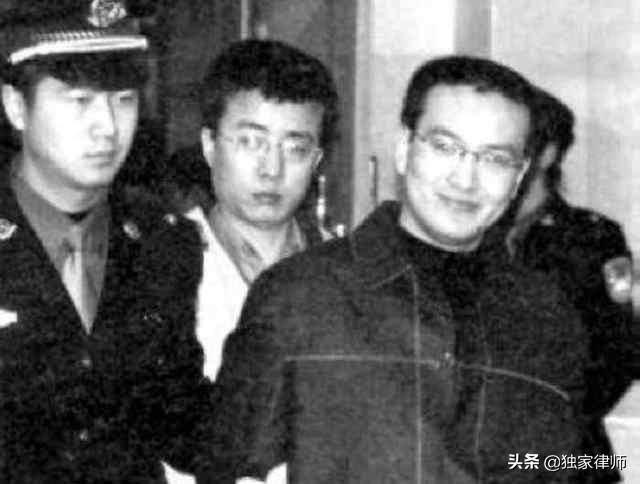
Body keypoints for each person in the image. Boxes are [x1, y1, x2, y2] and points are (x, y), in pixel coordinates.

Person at [207, 56, 594, 483]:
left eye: (495, 159)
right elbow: (228, 466)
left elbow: (572, 466)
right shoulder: (298, 295)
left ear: (519, 176)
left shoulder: (547, 318)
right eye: (444, 146)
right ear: (404, 148)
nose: (465, 179)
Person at [0, 1, 211, 481]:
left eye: (124, 100)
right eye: (80, 100)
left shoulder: (162, 243)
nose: (108, 127)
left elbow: (183, 424)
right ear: (15, 106)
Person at [176, 39, 338, 381]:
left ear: (316, 161)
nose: (272, 169)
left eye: (295, 149)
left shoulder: (346, 271)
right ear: (209, 145)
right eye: (251, 142)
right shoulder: (162, 264)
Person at [507, 88, 636, 483]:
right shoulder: (469, 233)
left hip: (572, 456)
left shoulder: (592, 239)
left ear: (547, 153)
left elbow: (620, 352)